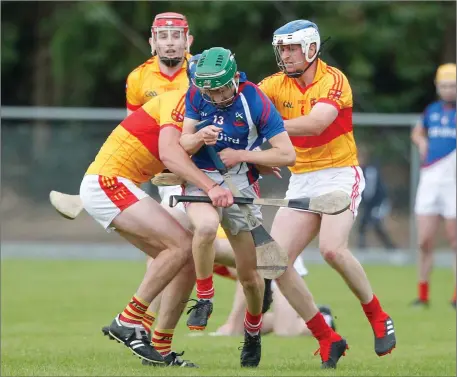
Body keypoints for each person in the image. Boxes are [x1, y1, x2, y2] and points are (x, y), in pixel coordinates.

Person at [257, 20, 396, 368]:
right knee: (272, 262)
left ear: (311, 49)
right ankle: (326, 337)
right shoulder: (274, 85)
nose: (285, 55)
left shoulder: (334, 80)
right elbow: (244, 104)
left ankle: (378, 316)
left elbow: (316, 122)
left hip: (337, 174)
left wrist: (266, 125)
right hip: (301, 178)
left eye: (291, 48)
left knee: (332, 249)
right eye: (282, 49)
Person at [79, 54, 234, 367]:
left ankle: (160, 347)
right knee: (179, 246)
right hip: (109, 181)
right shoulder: (177, 102)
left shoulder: (196, 115)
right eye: (210, 87)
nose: (217, 94)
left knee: (188, 255)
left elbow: (171, 161)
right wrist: (211, 187)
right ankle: (129, 320)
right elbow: (170, 154)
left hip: (121, 184)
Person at [180, 47, 296, 368]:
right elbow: (182, 145)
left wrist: (243, 156)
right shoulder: (195, 94)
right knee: (204, 228)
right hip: (201, 177)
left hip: (240, 183)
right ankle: (204, 298)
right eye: (209, 90)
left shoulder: (255, 100)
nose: (215, 96)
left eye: (220, 88)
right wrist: (200, 136)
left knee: (249, 278)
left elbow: (287, 155)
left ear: (233, 78)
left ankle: (253, 331)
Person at [410, 63, 456, 308]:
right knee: (424, 240)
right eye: (445, 86)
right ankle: (423, 295)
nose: (449, 90)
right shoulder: (431, 111)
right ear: (438, 87)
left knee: (454, 240)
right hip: (430, 180)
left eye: (453, 86)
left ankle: (455, 297)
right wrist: (421, 142)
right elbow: (417, 133)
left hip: (453, 184)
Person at [210, 255, 336, 337]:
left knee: (285, 332)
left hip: (279, 265)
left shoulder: (215, 239)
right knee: (242, 330)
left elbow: (244, 275)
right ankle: (303, 313)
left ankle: (324, 320)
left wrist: (232, 322)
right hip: (258, 275)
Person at [357, 145, 397, 250]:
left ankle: (390, 247)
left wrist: (363, 202)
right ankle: (361, 248)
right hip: (369, 204)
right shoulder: (359, 171)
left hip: (379, 203)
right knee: (362, 224)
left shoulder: (370, 171)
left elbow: (370, 191)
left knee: (375, 223)